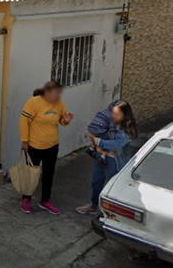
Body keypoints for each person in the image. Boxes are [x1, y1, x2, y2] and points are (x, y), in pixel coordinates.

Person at [19, 80, 74, 215]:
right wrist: (25, 141)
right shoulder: (33, 102)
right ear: (47, 92)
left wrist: (66, 121)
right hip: (34, 146)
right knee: (31, 175)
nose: (58, 96)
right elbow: (24, 121)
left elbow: (61, 120)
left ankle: (45, 200)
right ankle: (26, 199)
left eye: (59, 93)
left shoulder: (60, 104)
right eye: (56, 93)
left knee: (48, 174)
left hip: (52, 146)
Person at [76, 100, 137, 216]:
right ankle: (93, 206)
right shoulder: (110, 123)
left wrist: (97, 141)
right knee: (96, 182)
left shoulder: (128, 129)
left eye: (117, 114)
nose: (113, 116)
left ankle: (112, 212)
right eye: (113, 113)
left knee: (112, 187)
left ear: (125, 115)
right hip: (101, 158)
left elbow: (116, 145)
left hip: (114, 162)